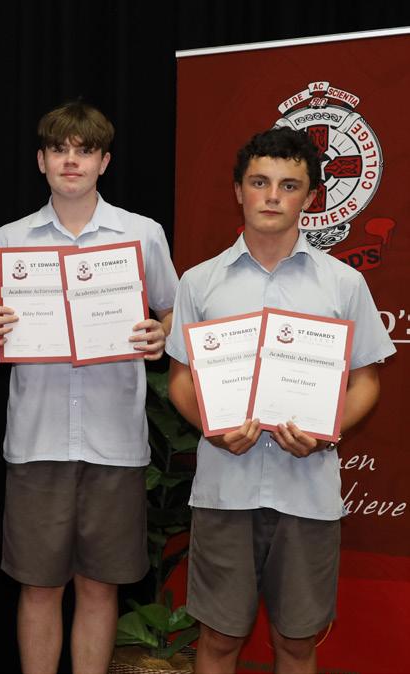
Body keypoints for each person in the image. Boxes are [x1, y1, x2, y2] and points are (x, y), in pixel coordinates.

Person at [165, 127, 395, 673]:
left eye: (288, 186)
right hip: (225, 491)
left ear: (310, 197)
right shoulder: (199, 282)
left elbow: (366, 382)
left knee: (296, 643)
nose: (272, 196)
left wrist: (325, 431)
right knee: (218, 640)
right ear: (237, 191)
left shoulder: (342, 284)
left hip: (306, 494)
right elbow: (180, 380)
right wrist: (213, 427)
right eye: (259, 182)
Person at [0, 102, 178, 674]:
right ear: (41, 160)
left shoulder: (141, 234)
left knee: (99, 586)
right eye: (60, 150)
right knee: (39, 586)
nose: (72, 161)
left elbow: (173, 314)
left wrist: (160, 334)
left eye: (85, 151)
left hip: (114, 441)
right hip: (37, 440)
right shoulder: (10, 239)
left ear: (104, 162)